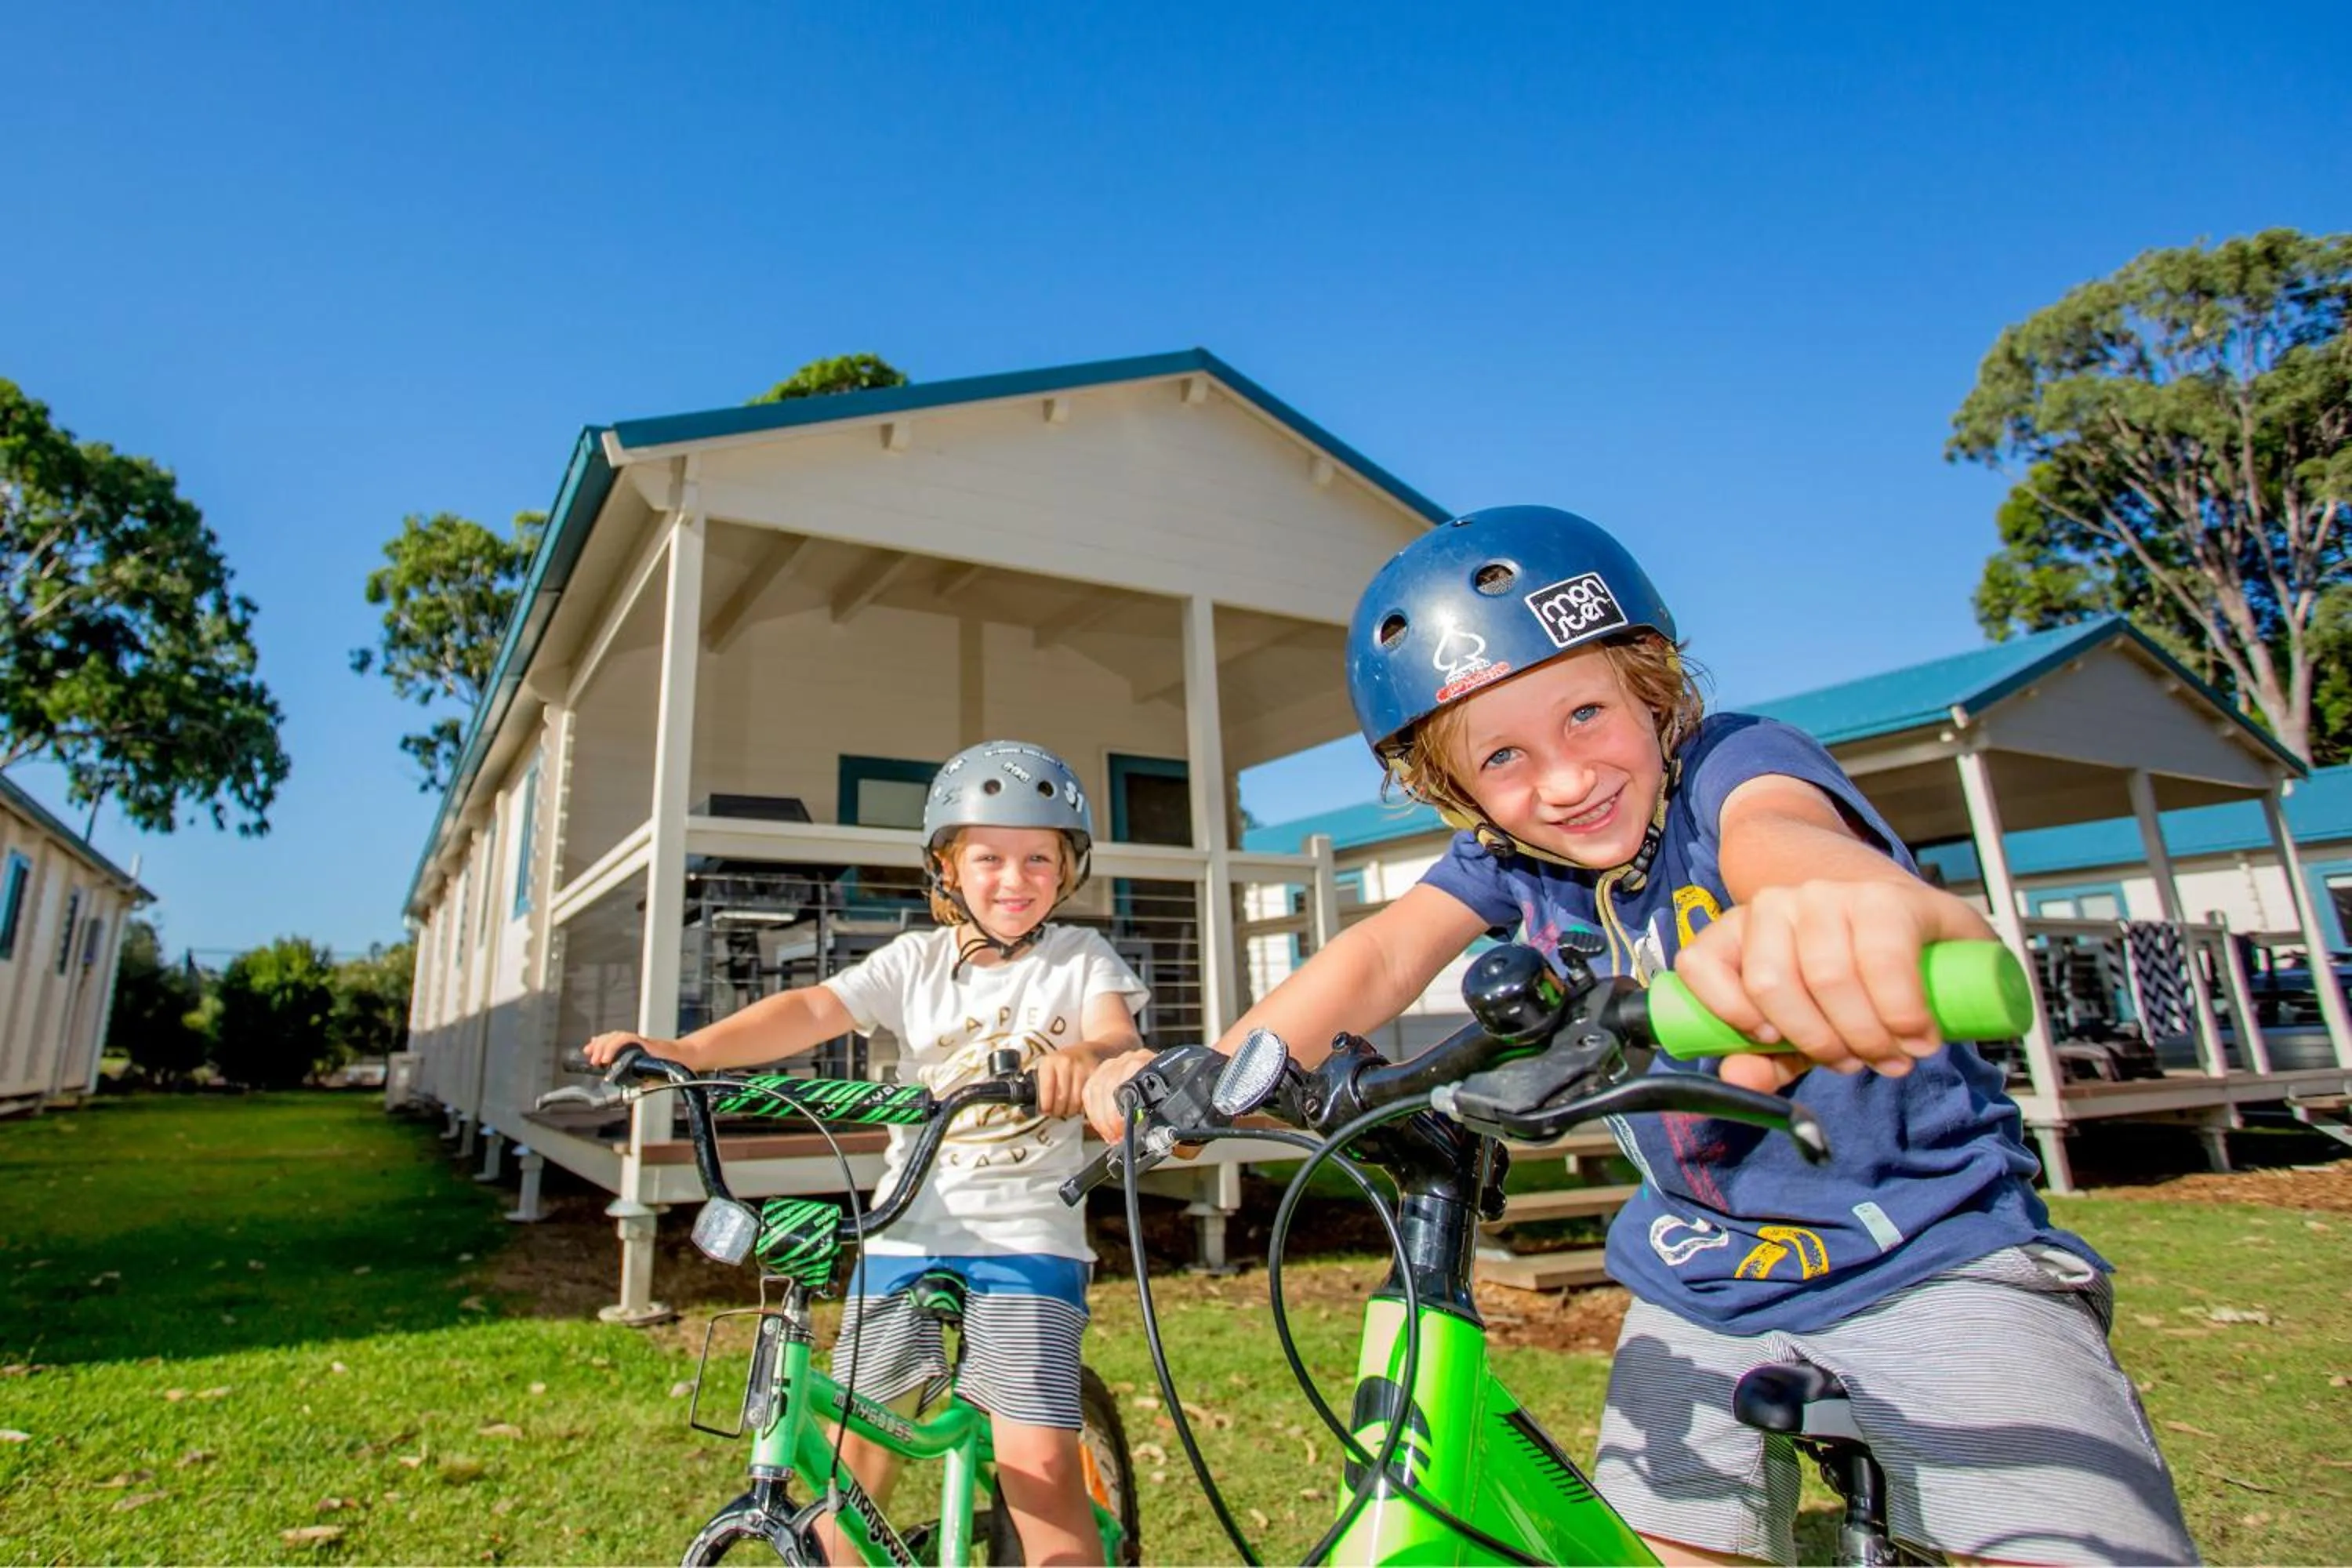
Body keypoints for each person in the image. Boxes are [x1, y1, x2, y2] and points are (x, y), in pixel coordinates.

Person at [1085, 507, 2194, 1565]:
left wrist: (1834, 909)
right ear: (1455, 786)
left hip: (1928, 1244)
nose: (1564, 780)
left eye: (1586, 717)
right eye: (1502, 758)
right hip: (1698, 1283)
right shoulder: (1509, 864)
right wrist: (1214, 1071)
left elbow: (1784, 834)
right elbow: (1381, 955)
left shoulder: (1729, 770)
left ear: (1655, 694)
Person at [586, 739, 1145, 1566]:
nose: (1014, 877)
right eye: (988, 856)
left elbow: (1115, 1038)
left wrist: (1088, 1063)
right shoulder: (915, 961)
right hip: (905, 1228)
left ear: (1068, 869)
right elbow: (811, 1007)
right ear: (948, 867)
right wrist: (686, 1050)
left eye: (1039, 856)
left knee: (1035, 1465)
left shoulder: (1078, 959)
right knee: (856, 1460)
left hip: (1027, 1234)